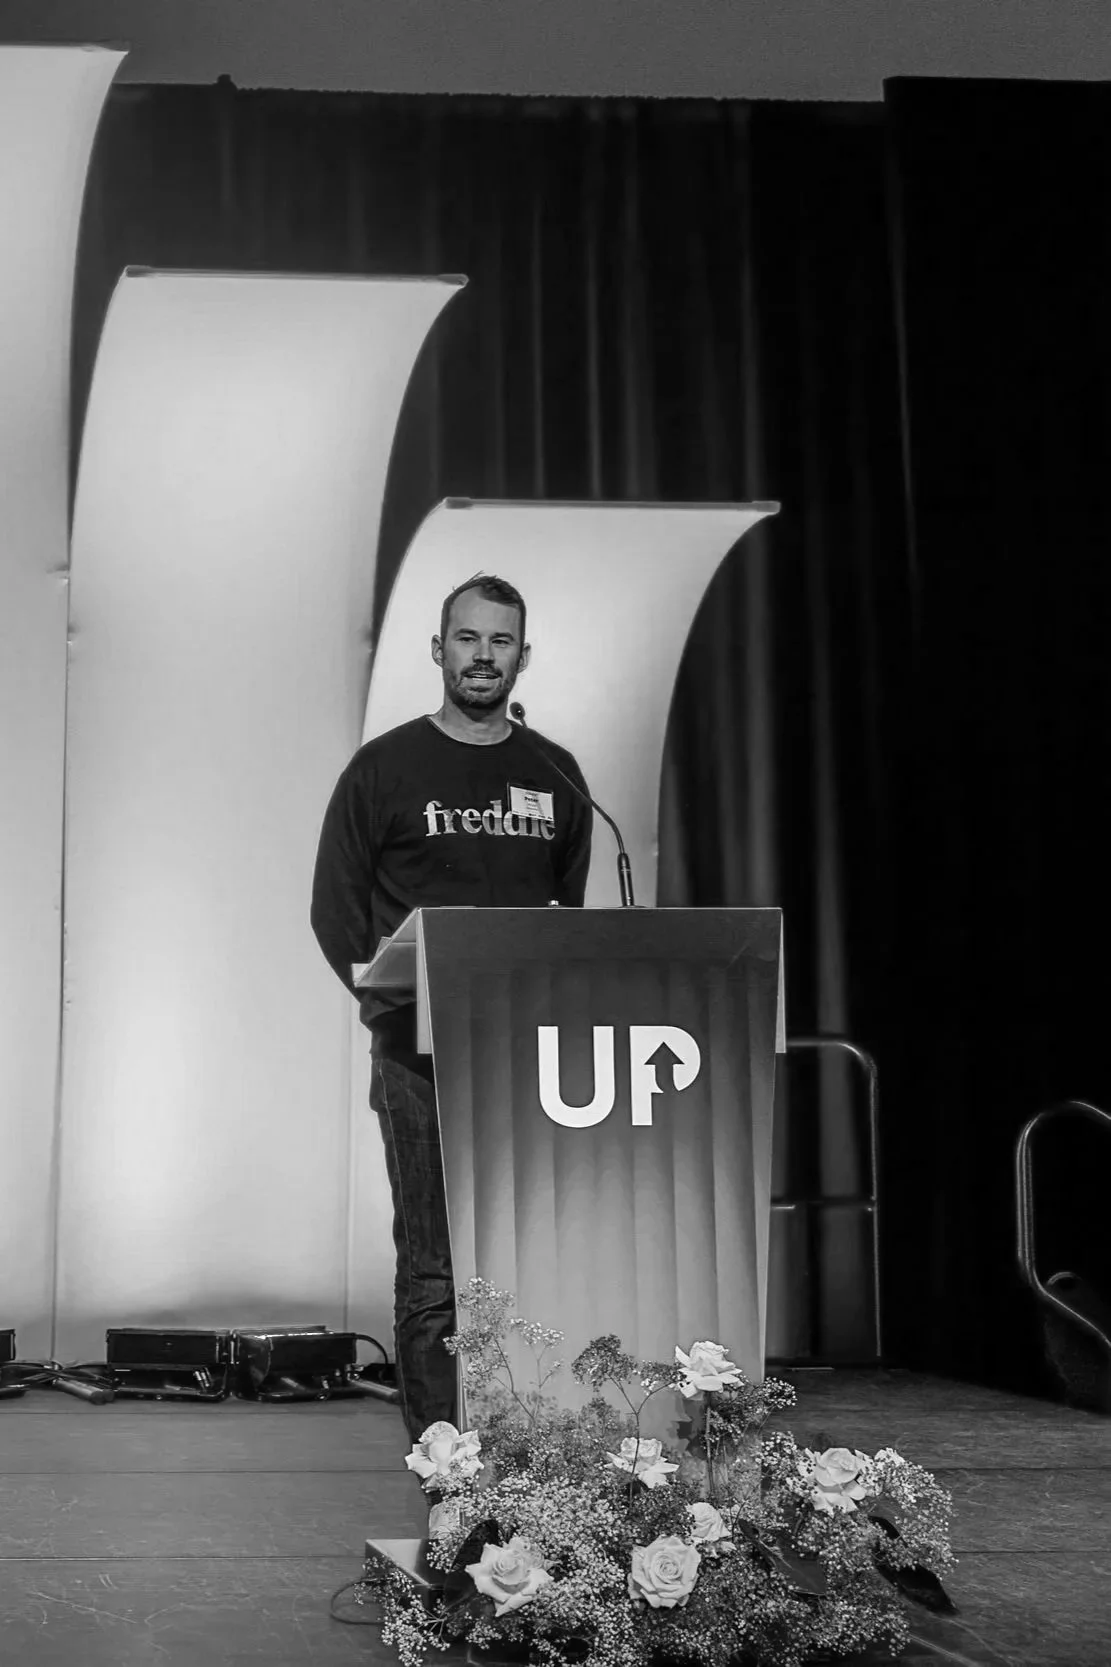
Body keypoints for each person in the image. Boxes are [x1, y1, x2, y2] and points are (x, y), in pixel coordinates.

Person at [310, 573, 592, 1448]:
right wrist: (389, 1004)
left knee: (520, 1258)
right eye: (466, 639)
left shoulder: (553, 771)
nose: (482, 656)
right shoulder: (385, 768)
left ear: (523, 656)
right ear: (439, 650)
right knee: (434, 1266)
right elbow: (336, 910)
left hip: (524, 1056)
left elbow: (564, 915)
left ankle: (528, 1437)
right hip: (417, 1056)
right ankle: (445, 1457)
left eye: (499, 641)